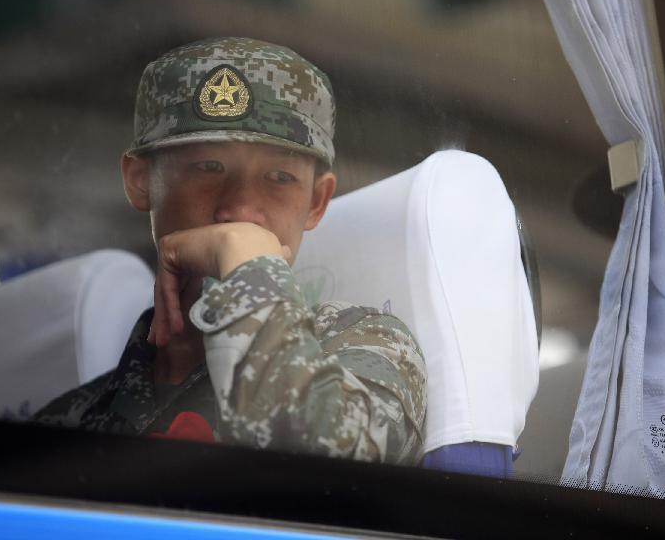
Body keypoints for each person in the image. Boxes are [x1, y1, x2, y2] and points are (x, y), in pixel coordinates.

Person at [34, 37, 427, 465]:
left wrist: (244, 256)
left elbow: (324, 461)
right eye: (208, 167)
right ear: (141, 181)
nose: (239, 209)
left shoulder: (363, 348)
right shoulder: (64, 421)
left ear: (316, 202)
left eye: (279, 176)